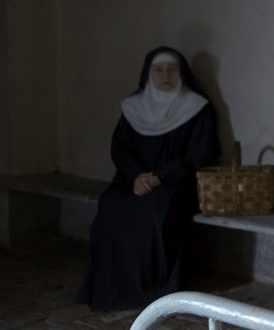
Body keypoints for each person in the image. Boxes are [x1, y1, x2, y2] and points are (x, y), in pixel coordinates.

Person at [77, 46, 220, 311]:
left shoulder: (196, 107)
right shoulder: (133, 106)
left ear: (181, 73)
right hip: (133, 180)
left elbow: (200, 153)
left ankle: (156, 290)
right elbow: (120, 148)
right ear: (149, 74)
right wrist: (137, 176)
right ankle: (111, 287)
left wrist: (160, 178)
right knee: (111, 208)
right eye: (158, 70)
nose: (165, 75)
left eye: (171, 69)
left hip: (178, 182)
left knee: (155, 213)